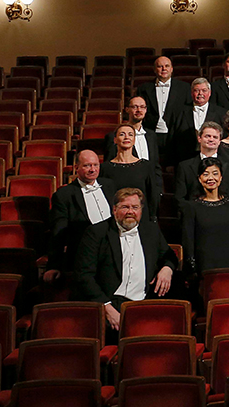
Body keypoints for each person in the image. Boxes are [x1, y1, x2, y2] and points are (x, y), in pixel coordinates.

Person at [73, 188, 177, 331]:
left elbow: (169, 255)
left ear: (141, 210)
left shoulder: (150, 230)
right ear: (114, 209)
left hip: (144, 302)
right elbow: (84, 276)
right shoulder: (97, 233)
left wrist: (167, 269)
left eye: (135, 207)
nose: (130, 212)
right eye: (125, 207)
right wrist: (106, 308)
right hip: (111, 303)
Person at [46, 150, 114, 283]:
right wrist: (54, 266)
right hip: (84, 258)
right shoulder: (64, 195)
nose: (93, 169)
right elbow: (58, 232)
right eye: (87, 165)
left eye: (96, 165)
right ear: (76, 168)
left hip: (112, 254)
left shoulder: (110, 185)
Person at [180, 159, 229, 280]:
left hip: (226, 264)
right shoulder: (191, 207)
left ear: (221, 177)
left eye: (215, 173)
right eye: (206, 174)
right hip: (202, 267)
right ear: (199, 178)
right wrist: (192, 268)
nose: (211, 178)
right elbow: (188, 240)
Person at [135, 56, 192, 163]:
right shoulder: (144, 88)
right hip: (151, 134)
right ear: (154, 69)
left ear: (172, 69)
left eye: (167, 66)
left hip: (176, 135)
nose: (163, 69)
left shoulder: (184, 88)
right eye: (160, 66)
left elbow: (187, 113)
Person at [104, 122, 163, 221]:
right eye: (122, 134)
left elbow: (152, 195)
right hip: (114, 219)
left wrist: (152, 218)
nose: (127, 137)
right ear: (115, 140)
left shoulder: (145, 166)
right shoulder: (105, 168)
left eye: (130, 134)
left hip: (142, 219)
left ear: (134, 140)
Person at [171, 78, 227, 163]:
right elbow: (172, 137)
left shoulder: (221, 113)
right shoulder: (179, 112)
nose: (200, 93)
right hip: (184, 159)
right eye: (196, 90)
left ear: (209, 93)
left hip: (213, 160)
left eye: (204, 90)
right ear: (191, 93)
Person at [106, 96, 161, 164]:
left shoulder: (152, 135)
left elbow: (156, 164)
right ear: (127, 109)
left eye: (142, 107)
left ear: (146, 110)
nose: (139, 110)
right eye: (135, 107)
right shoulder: (113, 136)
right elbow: (109, 164)